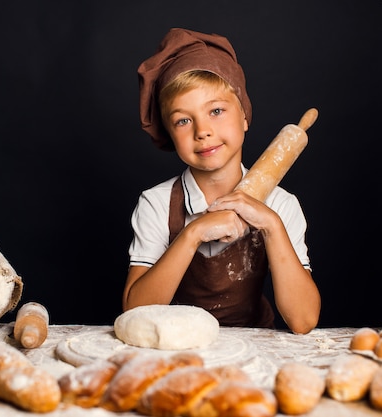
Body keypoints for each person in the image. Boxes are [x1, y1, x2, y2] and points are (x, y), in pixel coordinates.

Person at [123, 28, 320, 334]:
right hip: (177, 346)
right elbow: (135, 313)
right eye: (183, 120)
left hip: (254, 346)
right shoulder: (158, 203)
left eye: (216, 110)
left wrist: (271, 225)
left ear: (244, 116)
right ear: (170, 133)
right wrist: (192, 233)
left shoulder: (280, 205)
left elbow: (304, 320)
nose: (202, 131)